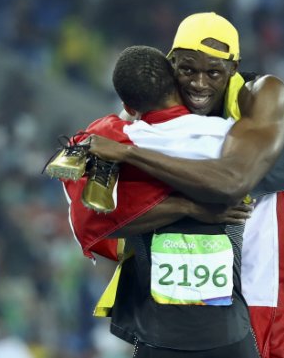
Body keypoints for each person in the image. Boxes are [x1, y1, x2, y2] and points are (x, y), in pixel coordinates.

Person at [85, 12, 284, 358]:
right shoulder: (152, 112)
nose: (199, 84)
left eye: (213, 72)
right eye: (188, 70)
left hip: (272, 250)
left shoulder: (257, 96)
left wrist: (259, 160)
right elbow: (102, 219)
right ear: (171, 64)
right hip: (193, 283)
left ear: (233, 68)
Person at [62, 45, 261, 357]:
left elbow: (91, 222)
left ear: (128, 103)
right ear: (176, 81)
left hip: (158, 336)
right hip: (229, 332)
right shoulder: (229, 137)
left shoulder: (119, 145)